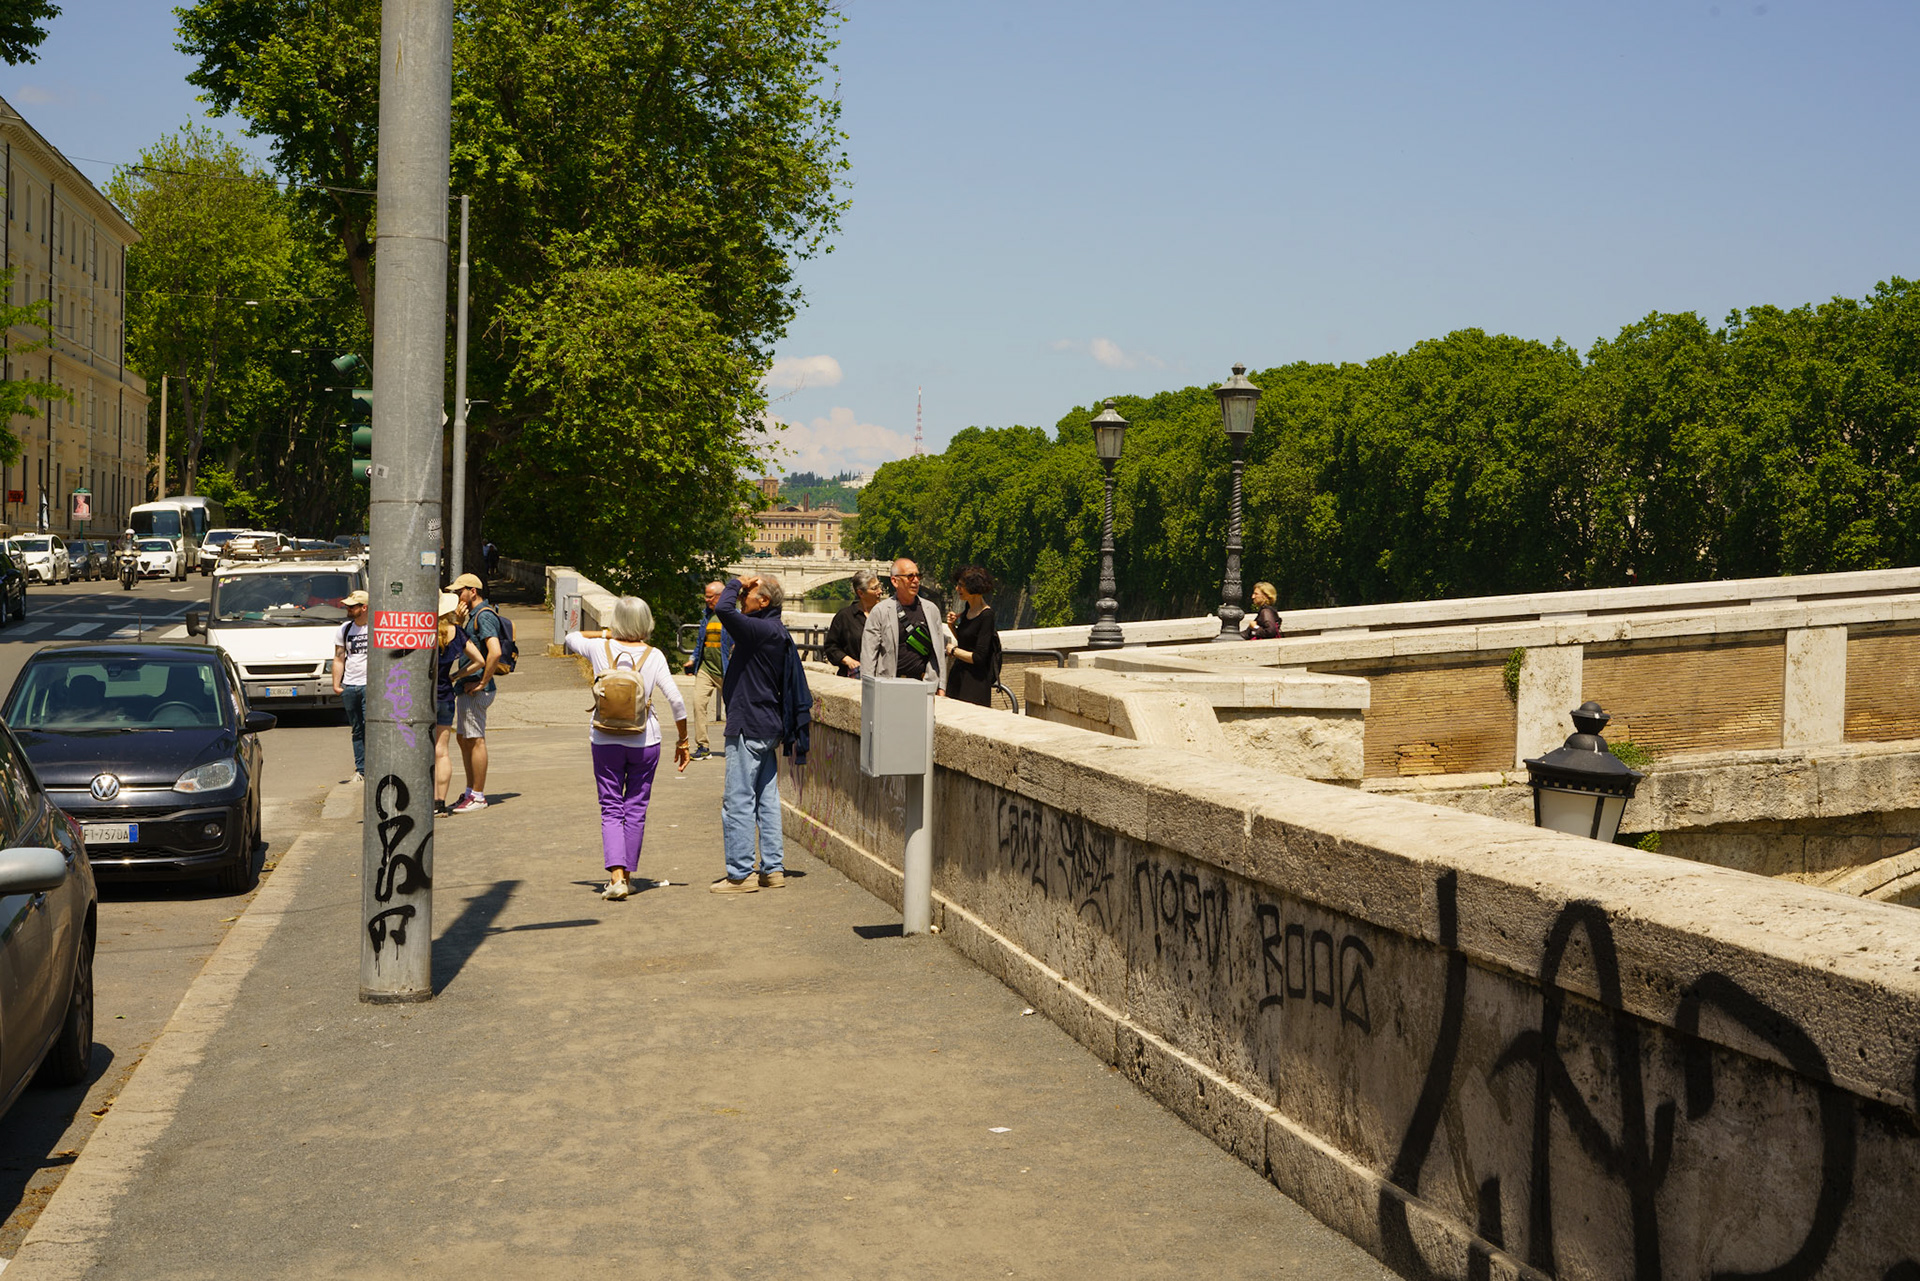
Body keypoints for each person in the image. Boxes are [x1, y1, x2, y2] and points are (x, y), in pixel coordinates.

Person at [565, 598, 689, 900]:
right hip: (645, 740)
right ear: (647, 622)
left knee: (610, 807)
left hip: (605, 738)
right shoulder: (654, 655)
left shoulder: (599, 649)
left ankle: (616, 878)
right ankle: (628, 876)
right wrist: (683, 740)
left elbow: (570, 637)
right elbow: (676, 701)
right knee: (635, 807)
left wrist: (607, 634)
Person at [712, 572, 791, 893]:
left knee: (739, 800)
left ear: (764, 601)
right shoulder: (776, 630)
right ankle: (772, 869)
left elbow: (723, 610)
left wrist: (734, 583)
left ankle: (740, 873)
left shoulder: (758, 629)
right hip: (769, 724)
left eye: (749, 592)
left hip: (748, 724)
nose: (744, 595)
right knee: (768, 800)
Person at [447, 572, 503, 813]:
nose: (457, 596)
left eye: (460, 591)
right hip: (467, 686)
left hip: (476, 689)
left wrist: (482, 682)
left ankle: (478, 795)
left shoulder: (484, 616)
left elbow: (495, 651)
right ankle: (470, 791)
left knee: (475, 739)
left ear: (473, 591)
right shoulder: (470, 615)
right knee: (464, 739)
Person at [433, 592, 486, 816]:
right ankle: (439, 803)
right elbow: (479, 661)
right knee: (441, 751)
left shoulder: (420, 633)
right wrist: (455, 675)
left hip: (417, 697)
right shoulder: (457, 633)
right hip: (444, 694)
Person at [860, 557, 948, 691]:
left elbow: (938, 651)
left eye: (918, 576)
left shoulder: (931, 610)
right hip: (888, 686)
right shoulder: (880, 611)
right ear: (895, 581)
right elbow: (869, 654)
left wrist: (941, 686)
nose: (916, 580)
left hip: (924, 685)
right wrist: (868, 688)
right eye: (910, 576)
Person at [683, 580, 730, 761]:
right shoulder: (707, 616)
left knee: (732, 710)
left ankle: (734, 746)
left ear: (720, 597)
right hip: (705, 669)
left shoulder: (732, 616)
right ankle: (703, 746)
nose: (706, 600)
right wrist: (693, 659)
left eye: (710, 597)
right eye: (706, 596)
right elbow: (699, 643)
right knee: (698, 704)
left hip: (726, 671)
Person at [943, 565, 1003, 706]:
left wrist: (953, 650)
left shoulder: (987, 615)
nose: (957, 589)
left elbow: (979, 657)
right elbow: (966, 642)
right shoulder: (968, 609)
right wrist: (952, 626)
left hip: (974, 683)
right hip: (959, 676)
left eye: (961, 586)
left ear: (973, 588)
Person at [331, 589, 371, 780]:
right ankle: (361, 769)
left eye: (352, 606)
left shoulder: (376, 628)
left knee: (370, 726)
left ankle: (374, 767)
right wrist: (337, 684)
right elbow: (339, 657)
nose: (347, 609)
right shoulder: (345, 629)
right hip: (350, 684)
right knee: (356, 729)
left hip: (369, 685)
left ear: (364, 608)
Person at [822, 569, 883, 678]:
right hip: (853, 677)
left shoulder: (885, 614)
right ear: (861, 593)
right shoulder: (845, 616)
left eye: (879, 586)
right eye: (874, 588)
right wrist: (847, 660)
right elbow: (831, 647)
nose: (880, 591)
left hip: (881, 677)